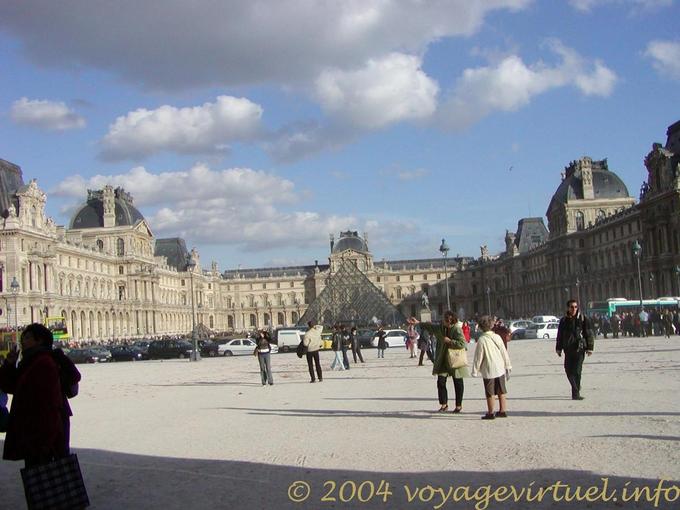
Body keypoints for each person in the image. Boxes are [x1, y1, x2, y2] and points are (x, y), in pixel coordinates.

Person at [0, 323, 81, 467]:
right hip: (36, 428)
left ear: (40, 340)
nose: (22, 341)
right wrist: (9, 364)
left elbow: (50, 403)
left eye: (27, 338)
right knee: (42, 476)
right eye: (22, 337)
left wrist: (46, 440)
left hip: (44, 431)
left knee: (44, 476)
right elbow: (11, 386)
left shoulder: (44, 363)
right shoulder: (29, 361)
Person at [410, 311, 469, 413]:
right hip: (443, 359)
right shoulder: (440, 328)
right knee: (441, 382)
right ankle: (444, 404)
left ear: (452, 320)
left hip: (455, 359)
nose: (446, 321)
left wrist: (450, 342)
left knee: (458, 382)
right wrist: (418, 323)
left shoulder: (456, 329)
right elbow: (430, 326)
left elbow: (463, 343)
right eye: (446, 319)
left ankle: (458, 405)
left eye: (449, 320)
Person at [472, 315, 512, 419]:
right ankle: (502, 410)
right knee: (501, 390)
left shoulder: (482, 340)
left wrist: (475, 371)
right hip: (500, 367)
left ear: (480, 327)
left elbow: (478, 357)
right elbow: (504, 351)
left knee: (490, 392)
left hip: (488, 369)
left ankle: (490, 412)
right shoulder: (497, 337)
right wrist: (508, 365)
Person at [556, 299, 594, 401]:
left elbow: (589, 333)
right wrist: (558, 348)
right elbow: (559, 335)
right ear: (568, 308)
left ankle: (575, 393)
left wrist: (590, 348)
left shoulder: (582, 319)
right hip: (568, 349)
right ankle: (576, 387)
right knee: (568, 371)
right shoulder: (563, 320)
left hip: (580, 348)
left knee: (577, 371)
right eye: (572, 307)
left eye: (575, 307)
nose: (574, 309)